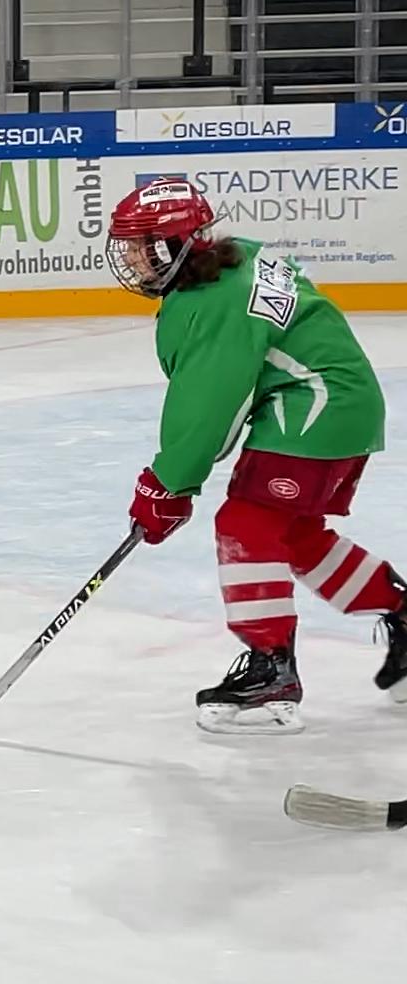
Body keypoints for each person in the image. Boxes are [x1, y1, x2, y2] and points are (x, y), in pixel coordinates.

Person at [116, 177, 407, 735]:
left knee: (244, 524)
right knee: (291, 534)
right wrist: (174, 484)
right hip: (341, 401)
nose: (130, 258)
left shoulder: (212, 305)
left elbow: (209, 412)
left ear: (176, 244)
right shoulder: (235, 256)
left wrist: (168, 484)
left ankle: (272, 668)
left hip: (316, 406)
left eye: (141, 244)